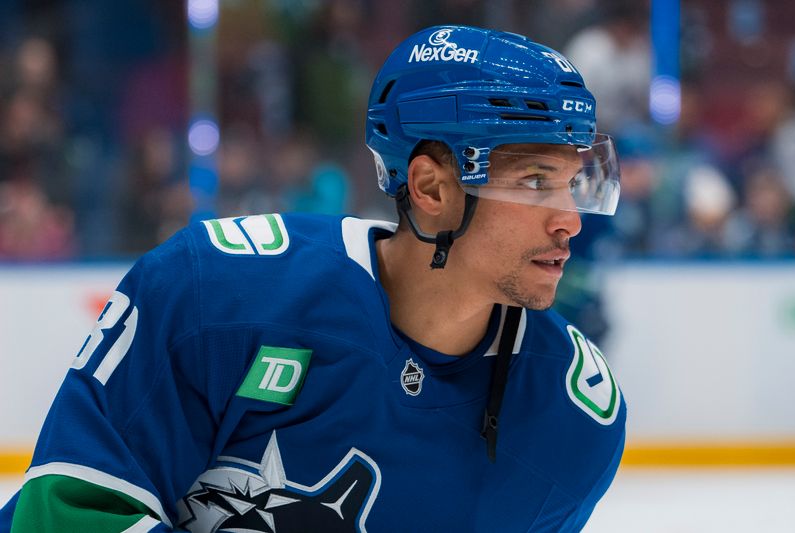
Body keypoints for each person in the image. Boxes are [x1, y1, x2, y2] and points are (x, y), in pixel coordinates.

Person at [0, 25, 625, 532]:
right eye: (535, 182)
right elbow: (66, 516)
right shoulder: (215, 292)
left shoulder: (571, 424)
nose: (570, 220)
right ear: (432, 188)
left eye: (572, 183)